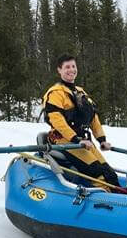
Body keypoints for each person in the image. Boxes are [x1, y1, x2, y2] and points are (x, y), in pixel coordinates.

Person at [42, 54, 120, 188]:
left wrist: (101, 140)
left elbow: (93, 118)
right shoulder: (55, 93)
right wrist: (76, 140)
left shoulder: (80, 92)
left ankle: (120, 197)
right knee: (97, 174)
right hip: (65, 141)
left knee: (110, 174)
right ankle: (103, 202)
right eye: (67, 67)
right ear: (59, 70)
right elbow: (58, 121)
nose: (71, 70)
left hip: (83, 141)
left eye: (73, 66)